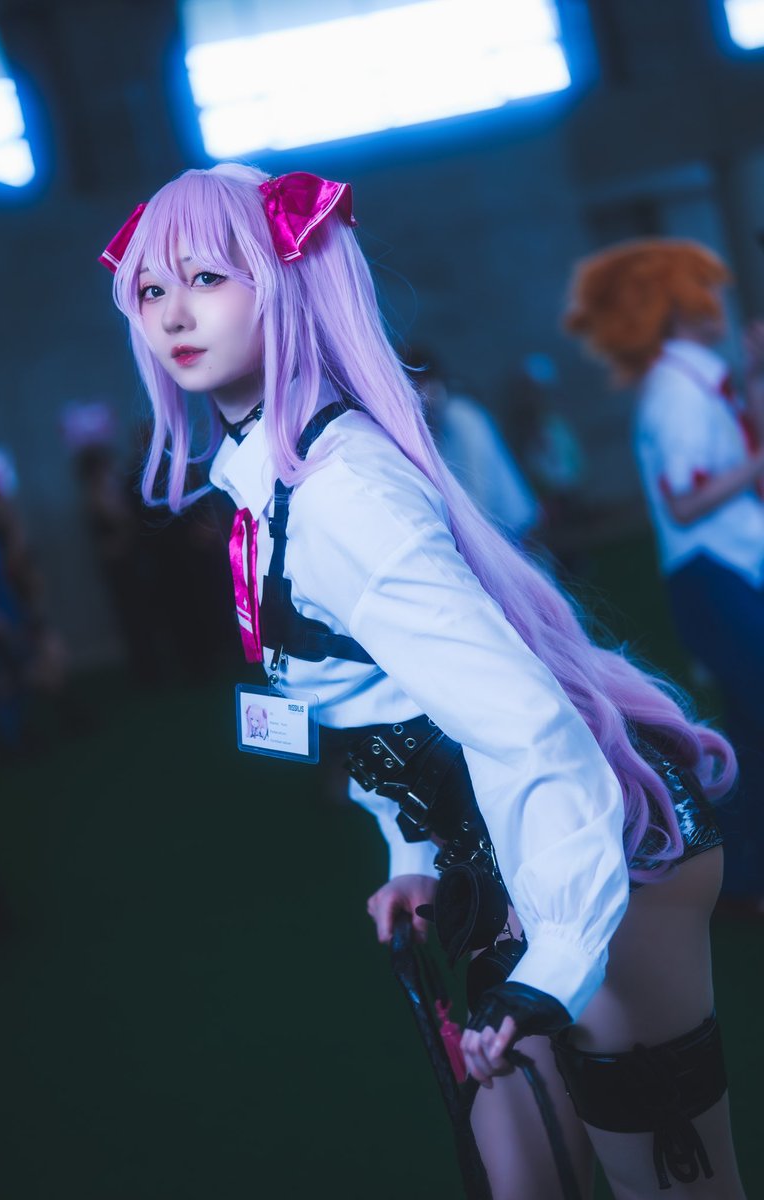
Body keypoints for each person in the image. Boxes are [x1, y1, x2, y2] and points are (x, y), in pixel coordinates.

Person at [101, 168, 745, 1198]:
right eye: (150, 289)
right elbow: (378, 702)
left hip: (598, 854)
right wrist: (413, 854)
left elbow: (529, 730)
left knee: (671, 1187)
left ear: (283, 281)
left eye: (208, 277)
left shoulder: (341, 491)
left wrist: (554, 960)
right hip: (499, 867)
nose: (172, 313)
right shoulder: (269, 477)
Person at [565, 239, 764, 920]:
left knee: (749, 728)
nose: (722, 300)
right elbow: (685, 501)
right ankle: (739, 880)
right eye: (708, 288)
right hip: (713, 576)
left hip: (727, 571)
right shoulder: (677, 392)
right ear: (679, 306)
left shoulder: (697, 381)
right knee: (751, 729)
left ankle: (741, 880)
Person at [405, 347, 541, 541]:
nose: (421, 397)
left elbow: (480, 492)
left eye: (423, 386)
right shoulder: (434, 427)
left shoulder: (462, 417)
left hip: (513, 529)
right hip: (495, 532)